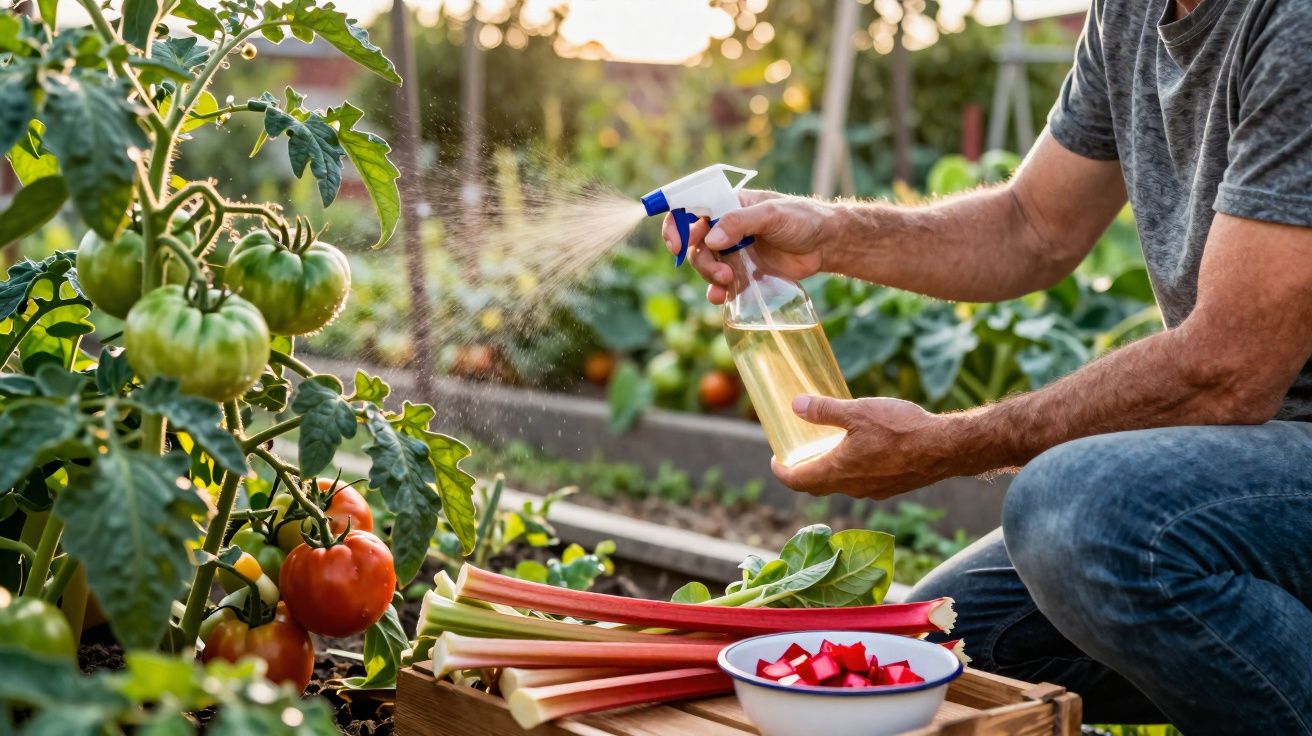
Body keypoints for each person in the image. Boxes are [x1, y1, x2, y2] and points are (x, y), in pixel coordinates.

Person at [665, 1, 1312, 732]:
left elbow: (1228, 367)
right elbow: (1032, 225)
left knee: (1079, 513)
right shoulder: (1128, 12)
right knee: (946, 647)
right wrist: (827, 234)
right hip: (1252, 462)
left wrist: (945, 444)